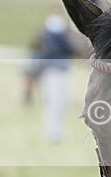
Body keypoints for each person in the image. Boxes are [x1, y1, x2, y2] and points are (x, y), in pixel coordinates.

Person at [22, 13, 75, 142]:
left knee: (59, 103)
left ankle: (56, 132)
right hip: (51, 74)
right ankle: (52, 133)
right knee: (53, 103)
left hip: (60, 73)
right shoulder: (48, 39)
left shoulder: (56, 38)